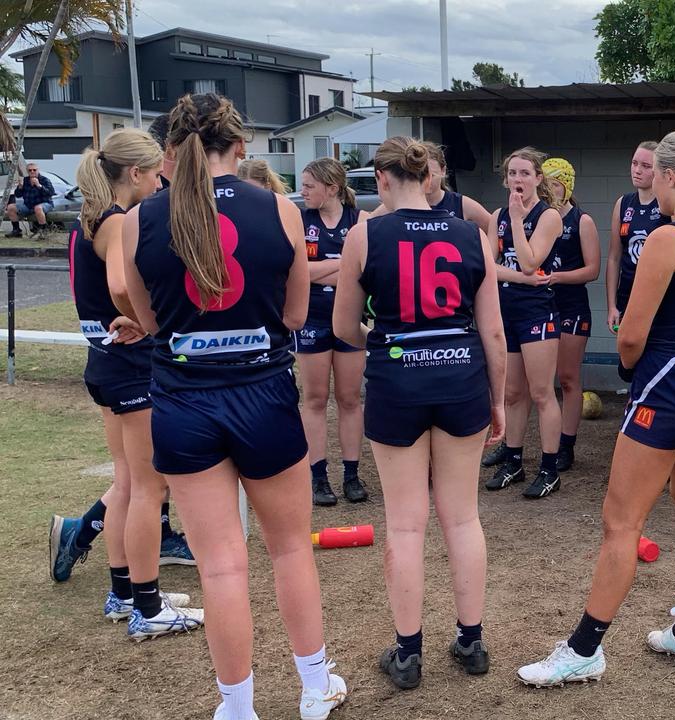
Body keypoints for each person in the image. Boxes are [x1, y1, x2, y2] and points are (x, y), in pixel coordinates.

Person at [121, 93, 347, 719]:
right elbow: (297, 315)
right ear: (240, 145)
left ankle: (237, 707)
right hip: (264, 393)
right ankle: (312, 686)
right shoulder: (278, 208)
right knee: (290, 548)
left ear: (169, 151)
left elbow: (147, 319)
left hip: (183, 402)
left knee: (221, 568)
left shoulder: (139, 220)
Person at [518, 131, 675, 687]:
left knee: (621, 521)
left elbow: (631, 336)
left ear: (669, 177)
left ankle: (584, 647)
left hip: (670, 378)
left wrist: (630, 370)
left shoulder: (670, 236)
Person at [332, 136, 506, 687]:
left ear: (383, 180)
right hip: (462, 380)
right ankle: (471, 642)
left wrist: (386, 343)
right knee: (462, 517)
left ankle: (408, 654)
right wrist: (498, 399)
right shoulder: (473, 236)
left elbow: (342, 328)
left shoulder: (364, 234)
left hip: (397, 382)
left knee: (406, 525)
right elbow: (493, 332)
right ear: (426, 178)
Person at [59, 128, 203, 638]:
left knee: (126, 482)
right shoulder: (118, 221)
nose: (162, 180)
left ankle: (123, 593)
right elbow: (121, 284)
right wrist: (144, 319)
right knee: (149, 486)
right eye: (156, 172)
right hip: (130, 362)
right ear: (137, 174)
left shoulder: (87, 217)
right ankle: (147, 605)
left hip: (104, 360)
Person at [485, 148, 564, 498]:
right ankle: (513, 461)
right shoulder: (497, 215)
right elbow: (489, 268)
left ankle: (549, 468)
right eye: (513, 174)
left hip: (538, 313)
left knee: (541, 392)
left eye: (525, 174)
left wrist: (518, 222)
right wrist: (518, 277)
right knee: (513, 393)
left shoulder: (548, 217)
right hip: (507, 309)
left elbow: (531, 263)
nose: (518, 180)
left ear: (537, 178)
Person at [295, 158, 369, 505]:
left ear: (332, 188)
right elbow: (298, 274)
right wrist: (342, 264)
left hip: (349, 319)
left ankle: (352, 475)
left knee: (350, 399)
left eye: (310, 185)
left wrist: (320, 270)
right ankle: (317, 477)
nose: (303, 191)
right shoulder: (299, 220)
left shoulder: (359, 221)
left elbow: (362, 274)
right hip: (311, 319)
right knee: (314, 399)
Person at [542, 158, 601, 472]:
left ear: (566, 185)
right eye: (545, 182)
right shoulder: (537, 217)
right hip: (540, 305)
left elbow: (593, 269)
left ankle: (567, 445)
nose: (548, 188)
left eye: (554, 182)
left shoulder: (582, 220)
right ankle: (532, 447)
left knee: (567, 377)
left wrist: (557, 277)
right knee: (536, 382)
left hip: (572, 307)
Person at [605, 141, 670, 333]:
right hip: (627, 293)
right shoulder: (623, 203)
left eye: (646, 166)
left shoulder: (667, 205)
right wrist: (612, 305)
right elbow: (614, 257)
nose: (637, 170)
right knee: (627, 357)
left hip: (659, 294)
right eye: (634, 163)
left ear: (659, 170)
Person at [370, 141, 491, 227]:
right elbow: (367, 223)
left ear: (443, 170)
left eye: (432, 175)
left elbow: (494, 227)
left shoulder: (461, 204)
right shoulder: (394, 205)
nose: (427, 180)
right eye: (419, 174)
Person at [6, 162, 56, 237]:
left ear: (38, 170)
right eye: (30, 170)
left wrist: (39, 185)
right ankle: (16, 230)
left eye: (34, 170)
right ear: (27, 171)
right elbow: (17, 195)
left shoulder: (44, 180)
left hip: (45, 203)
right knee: (10, 207)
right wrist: (20, 187)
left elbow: (51, 193)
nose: (32, 172)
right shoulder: (25, 180)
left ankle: (43, 232)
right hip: (28, 205)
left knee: (38, 208)